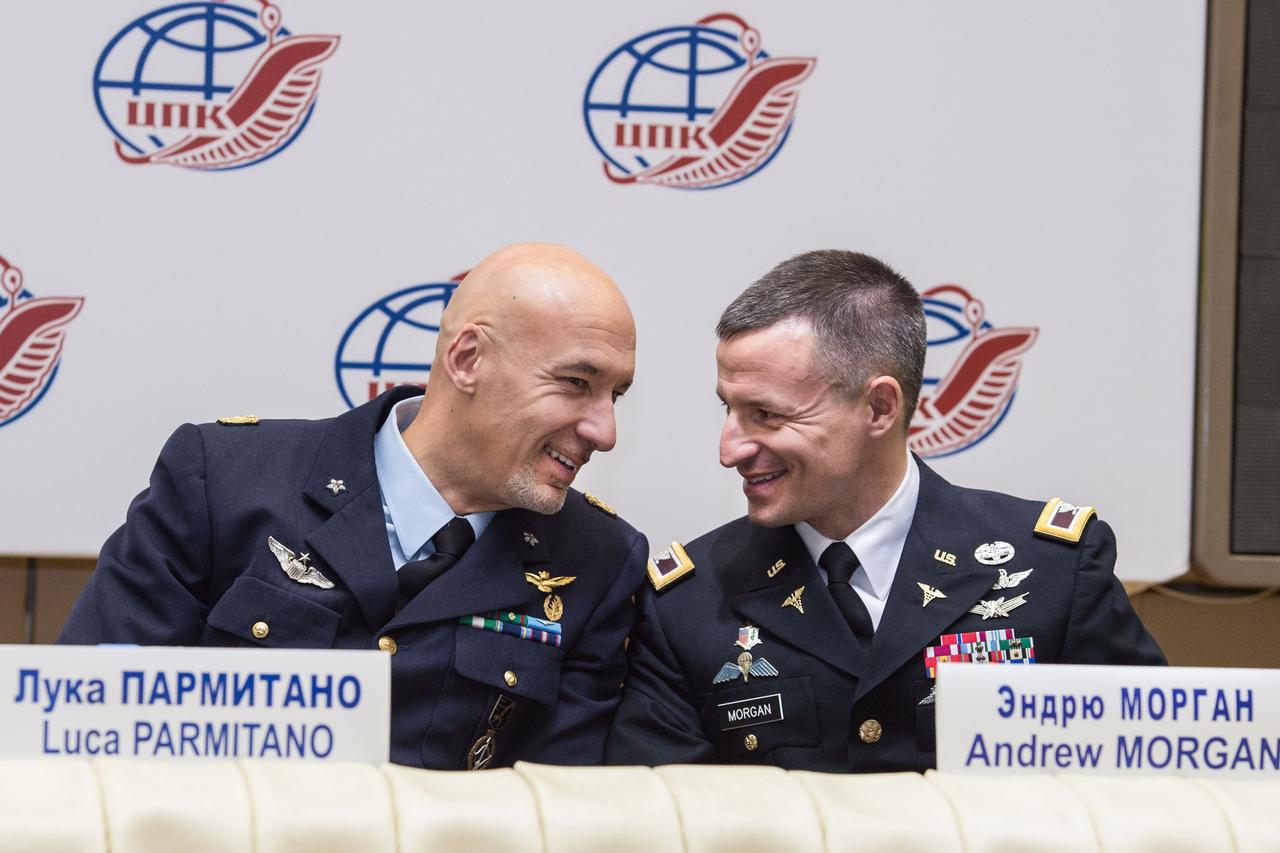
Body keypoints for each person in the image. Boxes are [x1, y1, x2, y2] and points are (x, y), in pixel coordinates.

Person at [60, 242, 647, 769]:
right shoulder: (223, 478)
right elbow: (88, 723)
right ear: (467, 360)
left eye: (615, 395)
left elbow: (564, 813)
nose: (605, 430)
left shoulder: (599, 560)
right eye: (576, 383)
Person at [607, 249, 1164, 772]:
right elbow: (655, 822)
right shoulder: (689, 601)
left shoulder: (1053, 570)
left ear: (879, 407)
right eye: (729, 409)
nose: (729, 450)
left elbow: (1142, 790)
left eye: (767, 416)